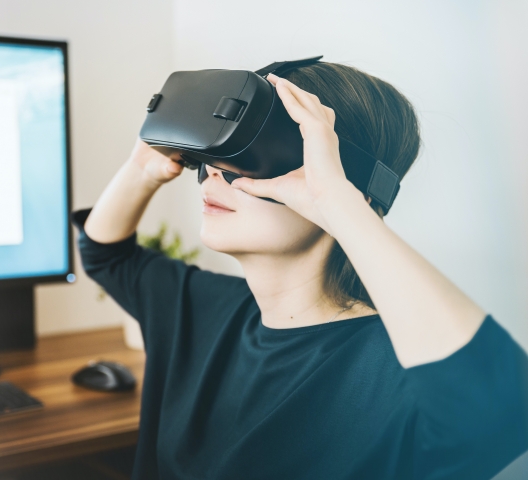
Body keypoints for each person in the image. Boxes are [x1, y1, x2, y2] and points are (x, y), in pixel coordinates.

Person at [71, 62, 528, 479]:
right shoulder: (202, 309)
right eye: (218, 156)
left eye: (248, 158)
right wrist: (143, 167)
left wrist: (339, 202)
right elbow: (105, 254)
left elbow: (501, 412)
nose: (215, 173)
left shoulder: (391, 372)